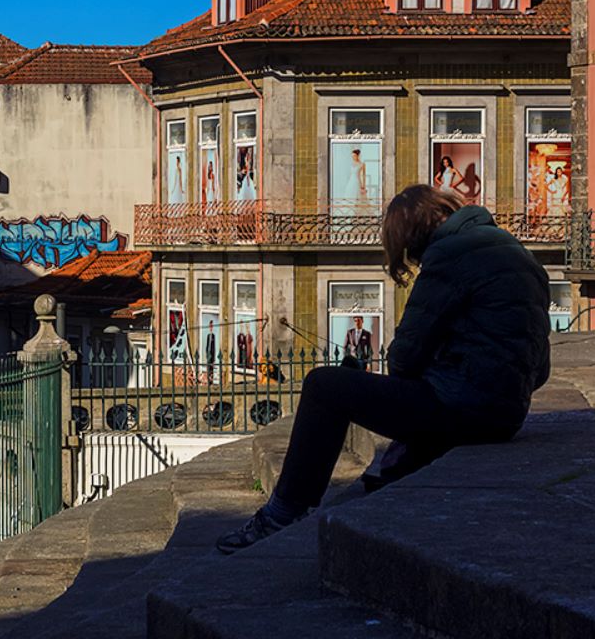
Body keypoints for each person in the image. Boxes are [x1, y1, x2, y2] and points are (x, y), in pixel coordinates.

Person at [216, 184, 551, 554]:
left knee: (324, 386)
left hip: (465, 410)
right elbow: (541, 370)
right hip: (507, 414)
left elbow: (404, 357)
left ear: (411, 237)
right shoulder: (517, 252)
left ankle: (281, 514)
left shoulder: (448, 256)